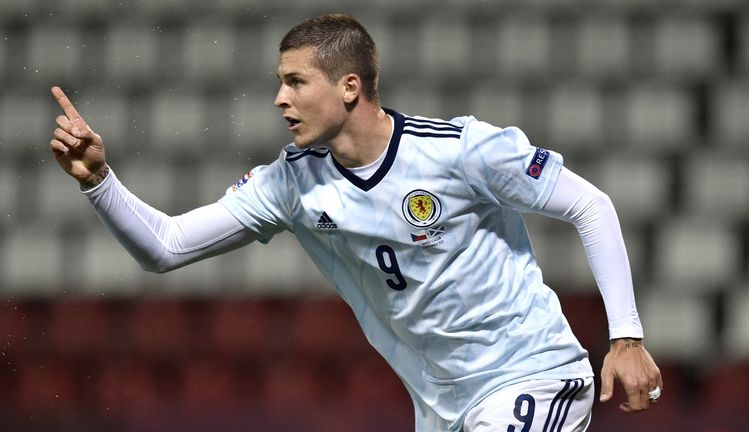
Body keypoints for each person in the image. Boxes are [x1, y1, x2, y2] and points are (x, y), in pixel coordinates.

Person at [50, 13, 661, 432]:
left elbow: (590, 204)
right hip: (442, 406)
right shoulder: (291, 183)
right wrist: (99, 182)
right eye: (279, 83)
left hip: (530, 373)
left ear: (348, 86)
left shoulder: (461, 151)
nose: (279, 99)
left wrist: (626, 337)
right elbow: (165, 247)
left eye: (295, 82)